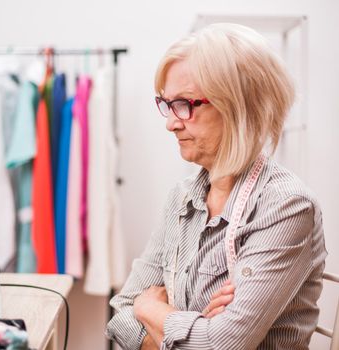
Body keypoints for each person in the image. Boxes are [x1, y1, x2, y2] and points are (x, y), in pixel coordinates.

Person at [106, 23, 327, 350]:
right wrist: (191, 329)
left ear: (238, 105)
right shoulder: (182, 199)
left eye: (185, 104)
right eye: (166, 104)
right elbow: (121, 313)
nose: (170, 122)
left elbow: (220, 345)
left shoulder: (286, 207)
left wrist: (150, 309)